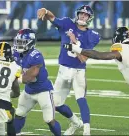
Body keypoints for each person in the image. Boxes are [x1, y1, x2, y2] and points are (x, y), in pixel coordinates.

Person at [37, 5, 100, 135]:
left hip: (78, 71)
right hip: (63, 70)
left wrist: (74, 43)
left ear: (90, 18)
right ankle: (76, 122)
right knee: (56, 104)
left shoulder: (92, 35)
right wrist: (46, 10)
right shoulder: (67, 23)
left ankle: (87, 131)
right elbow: (52, 18)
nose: (82, 16)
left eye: (86, 15)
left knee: (80, 98)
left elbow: (83, 59)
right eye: (81, 13)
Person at [12, 29, 61, 136]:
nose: (19, 45)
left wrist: (15, 80)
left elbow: (30, 75)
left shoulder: (36, 54)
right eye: (18, 42)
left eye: (23, 42)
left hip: (43, 91)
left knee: (49, 120)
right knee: (19, 113)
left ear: (31, 42)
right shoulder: (15, 53)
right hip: (29, 90)